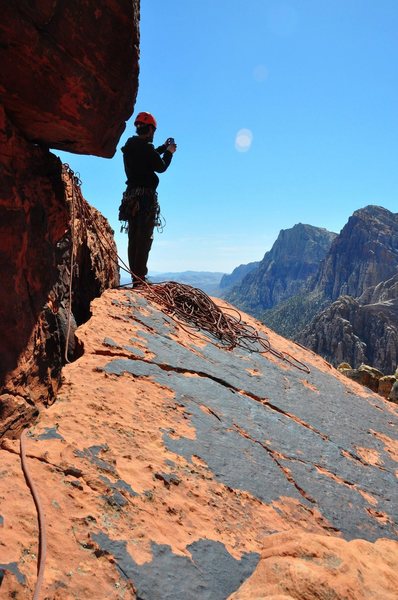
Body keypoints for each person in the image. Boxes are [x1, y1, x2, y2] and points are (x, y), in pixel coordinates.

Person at [119, 111, 177, 286]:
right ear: (150, 129)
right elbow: (160, 167)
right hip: (144, 200)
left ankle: (135, 278)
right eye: (153, 130)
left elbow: (147, 157)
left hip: (131, 197)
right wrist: (169, 153)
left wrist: (161, 148)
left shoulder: (131, 147)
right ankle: (140, 280)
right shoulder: (145, 148)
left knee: (133, 238)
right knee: (144, 238)